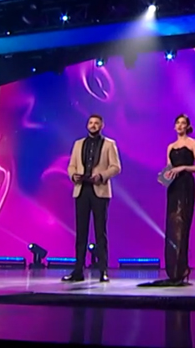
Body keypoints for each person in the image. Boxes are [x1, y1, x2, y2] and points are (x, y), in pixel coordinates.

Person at [141, 114, 195, 287]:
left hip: (186, 184)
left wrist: (183, 167)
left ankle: (182, 269)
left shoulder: (193, 143)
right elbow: (169, 168)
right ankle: (173, 269)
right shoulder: (170, 147)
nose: (180, 126)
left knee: (183, 224)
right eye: (178, 123)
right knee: (172, 225)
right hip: (174, 186)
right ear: (174, 126)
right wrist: (164, 176)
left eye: (183, 123)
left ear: (187, 126)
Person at [63, 114, 121, 283]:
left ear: (102, 125)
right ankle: (78, 271)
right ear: (87, 125)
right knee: (81, 232)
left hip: (99, 190)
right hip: (81, 190)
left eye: (96, 123)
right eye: (91, 123)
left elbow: (116, 167)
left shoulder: (109, 144)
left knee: (100, 232)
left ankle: (103, 270)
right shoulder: (78, 144)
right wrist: (73, 175)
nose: (93, 125)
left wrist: (101, 175)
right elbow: (71, 165)